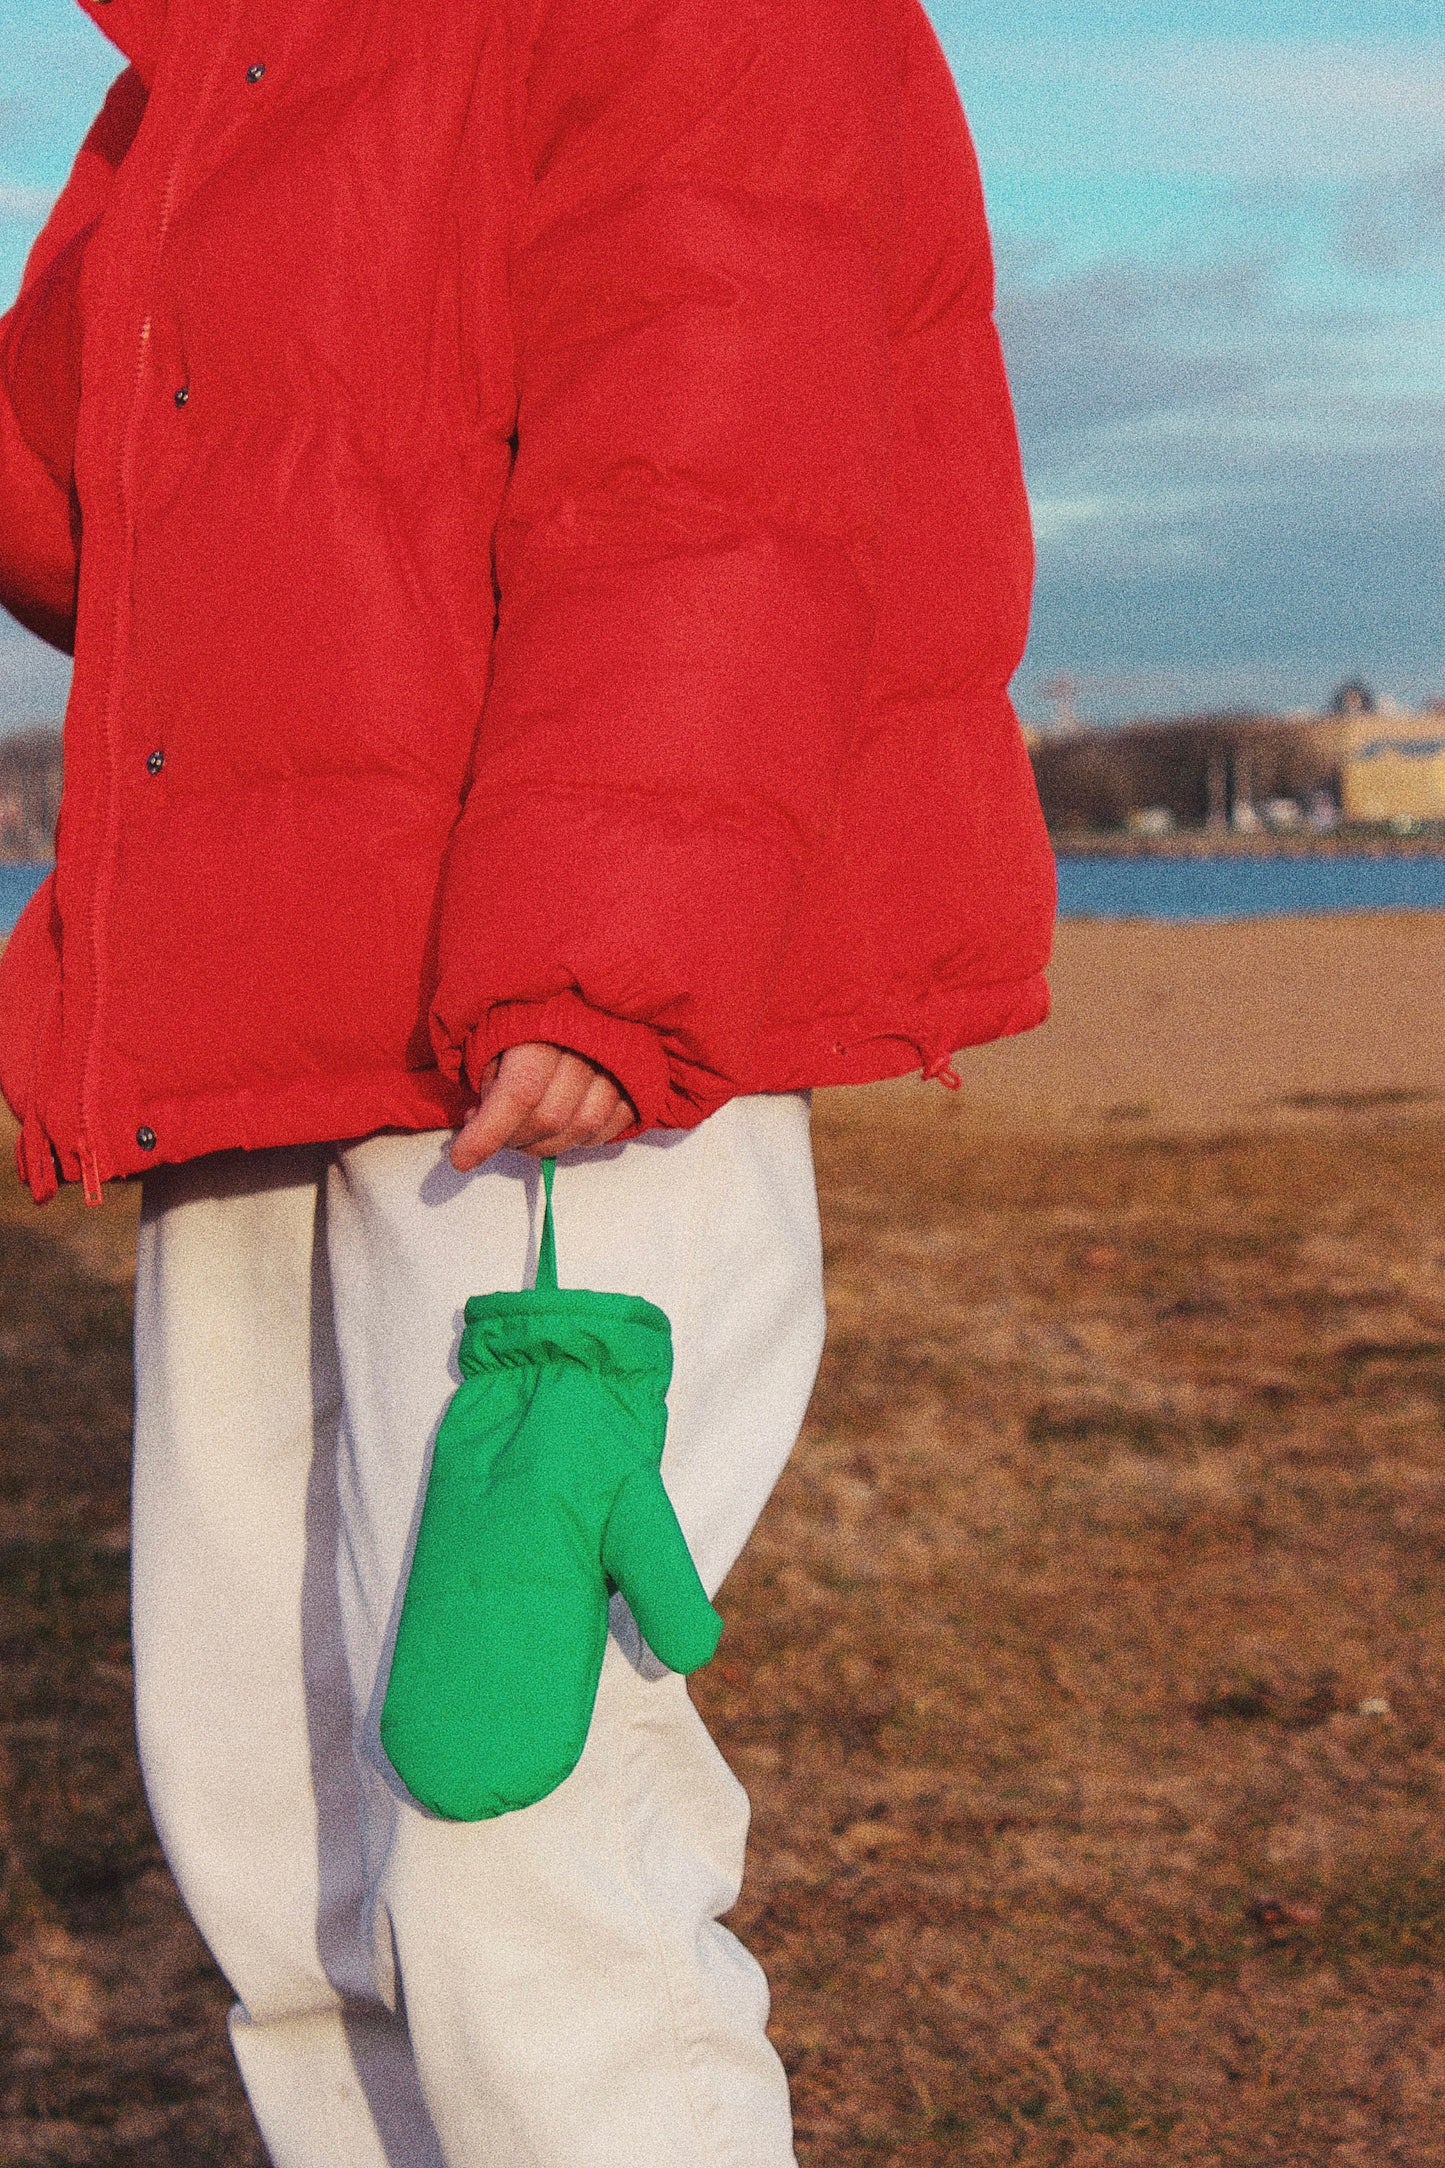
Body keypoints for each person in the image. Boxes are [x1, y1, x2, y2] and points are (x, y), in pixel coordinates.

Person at [0, 0, 1054, 2158]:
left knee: (513, 1827)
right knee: (274, 1825)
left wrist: (604, 954)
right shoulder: (223, 63)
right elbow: (126, 514)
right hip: (266, 1023)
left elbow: (720, 458)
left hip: (559, 1050)